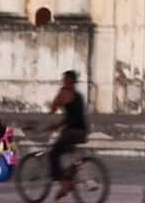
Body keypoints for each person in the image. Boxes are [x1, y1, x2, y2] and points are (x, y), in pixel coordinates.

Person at [43, 70, 90, 199]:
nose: (62, 82)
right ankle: (69, 178)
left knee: (53, 154)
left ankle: (65, 184)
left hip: (71, 132)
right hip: (82, 131)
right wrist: (57, 126)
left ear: (69, 81)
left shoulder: (65, 93)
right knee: (68, 154)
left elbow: (53, 108)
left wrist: (59, 94)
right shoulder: (79, 95)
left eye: (64, 80)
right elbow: (72, 116)